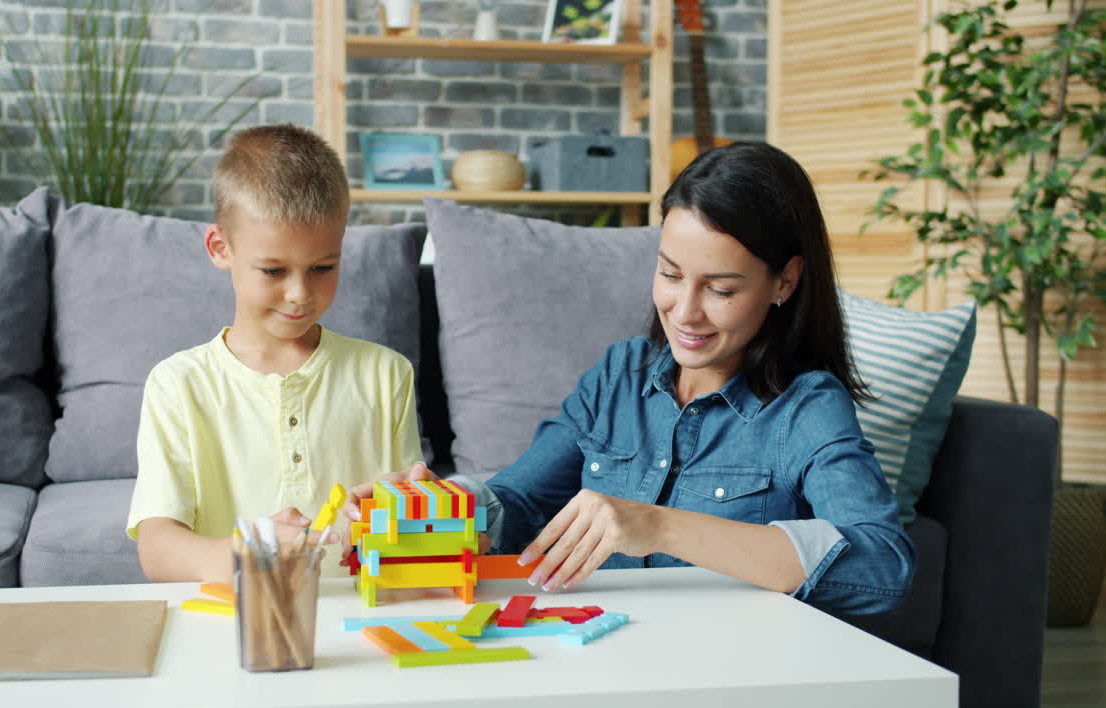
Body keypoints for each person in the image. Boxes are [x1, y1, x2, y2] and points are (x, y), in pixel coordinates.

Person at [347, 142, 916, 615]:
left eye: (720, 289)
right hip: (603, 655)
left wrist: (661, 527)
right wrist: (435, 504)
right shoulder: (620, 376)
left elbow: (883, 567)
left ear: (785, 282)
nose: (684, 311)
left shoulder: (804, 408)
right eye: (669, 274)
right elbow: (519, 501)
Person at [127, 124, 422, 583]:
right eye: (273, 270)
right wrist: (253, 550)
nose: (300, 294)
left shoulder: (386, 374)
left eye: (323, 267)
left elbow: (413, 527)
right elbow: (158, 550)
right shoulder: (178, 383)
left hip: (364, 621)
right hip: (233, 626)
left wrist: (417, 511)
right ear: (220, 248)